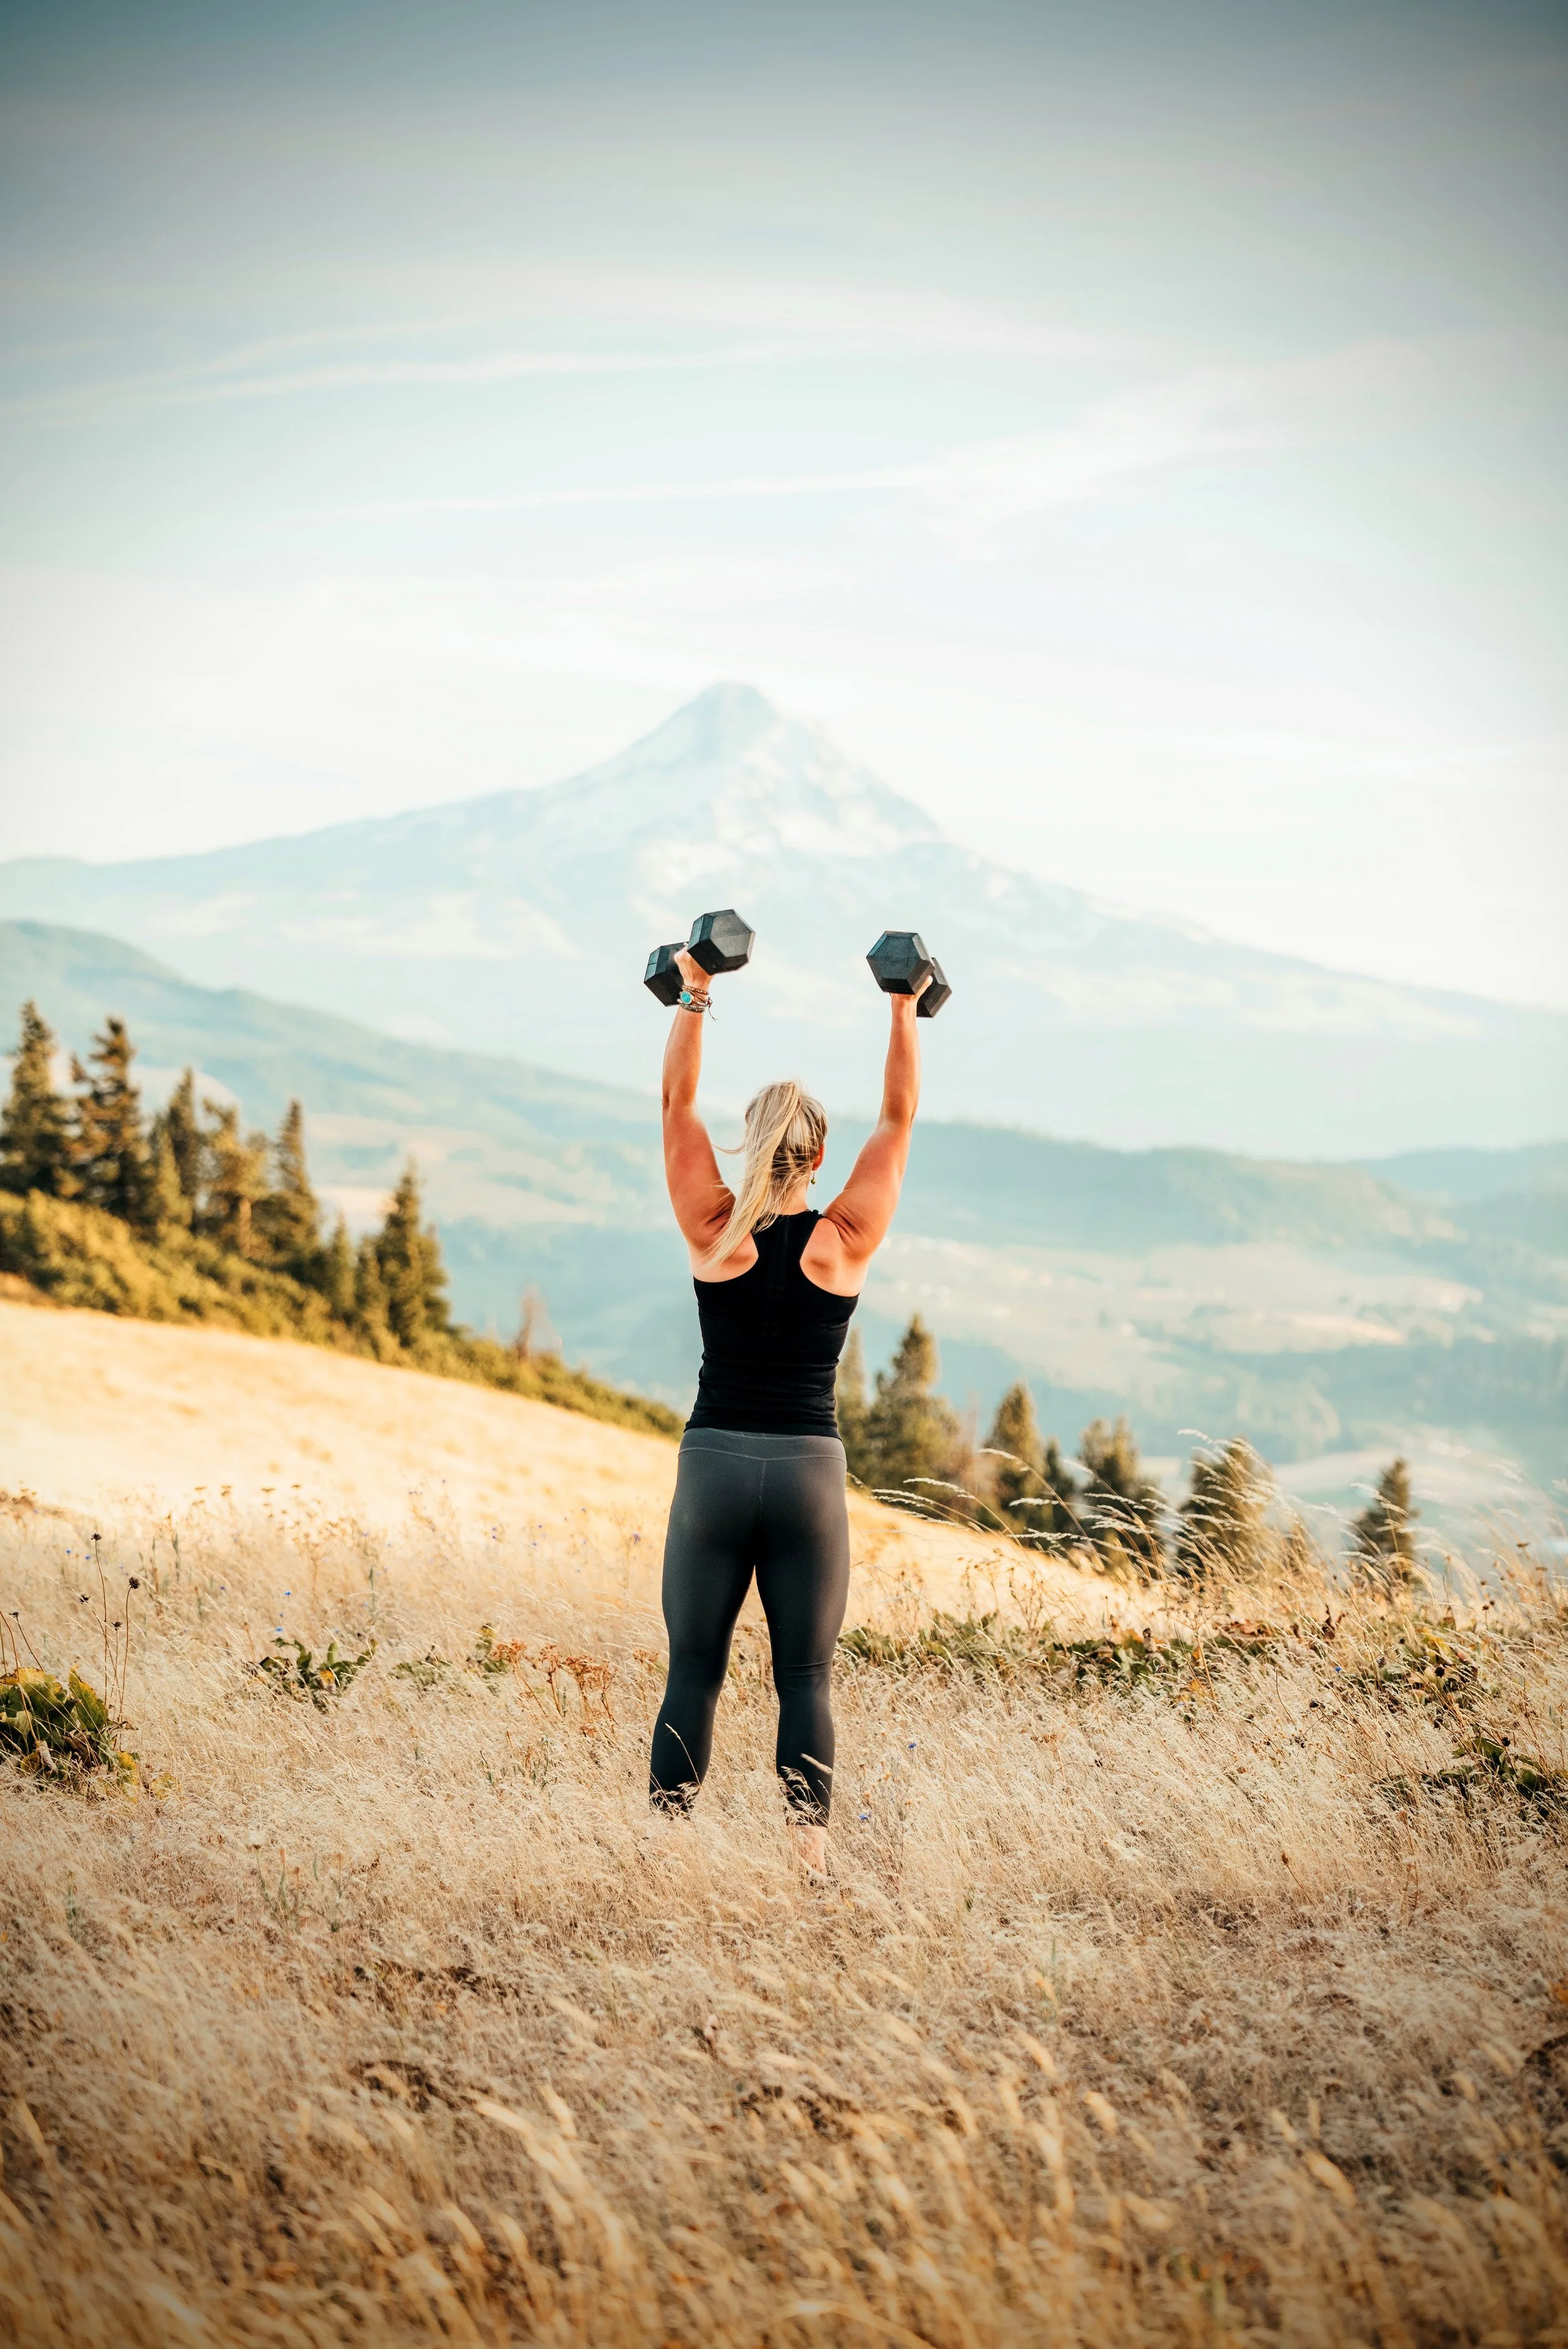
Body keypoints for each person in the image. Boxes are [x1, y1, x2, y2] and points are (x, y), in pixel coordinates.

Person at [650, 943, 929, 1874]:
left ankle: (662, 1856)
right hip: (808, 1472)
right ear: (817, 1155)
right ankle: (808, 1862)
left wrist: (696, 992)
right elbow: (898, 1117)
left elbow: (676, 1107)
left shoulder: (711, 1228)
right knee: (804, 1678)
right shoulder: (842, 1240)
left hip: (714, 1469)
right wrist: (903, 1005)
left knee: (695, 1671)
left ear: (750, 1142)